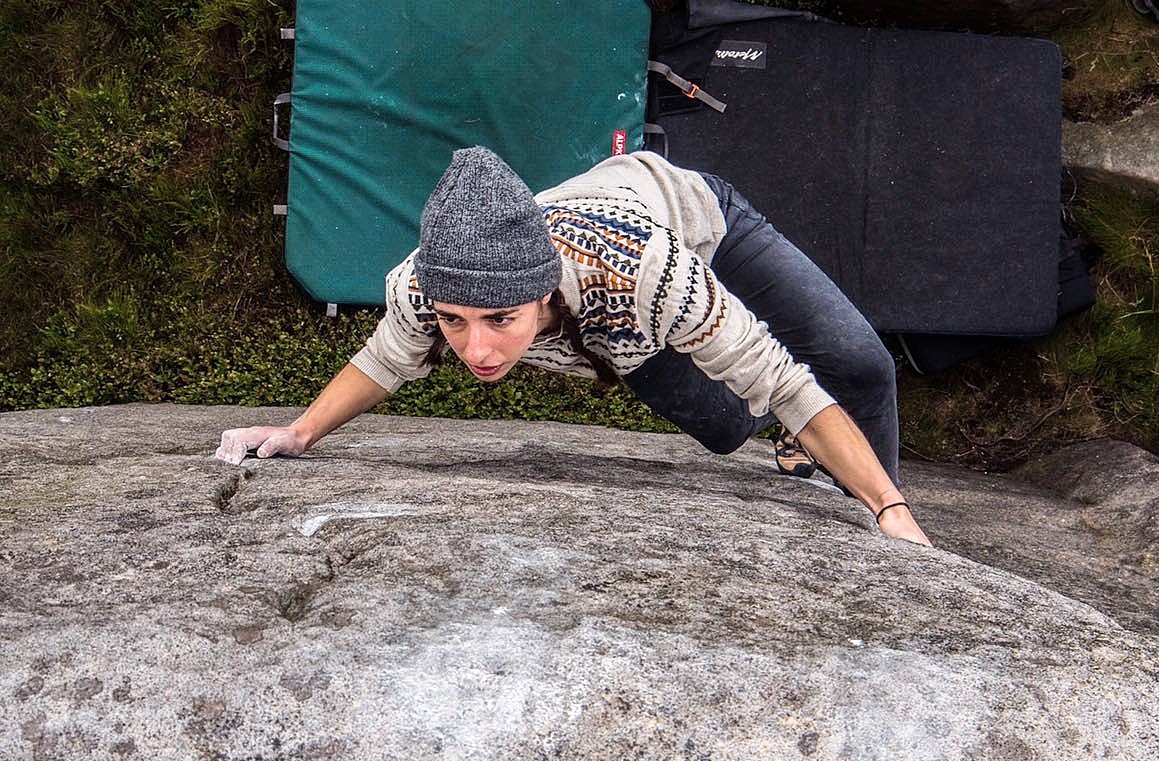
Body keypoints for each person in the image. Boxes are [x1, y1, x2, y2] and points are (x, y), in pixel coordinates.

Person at [215, 146, 931, 546]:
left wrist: (887, 510)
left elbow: (783, 383)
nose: (476, 349)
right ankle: (799, 437)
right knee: (723, 428)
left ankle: (878, 502)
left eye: (500, 319)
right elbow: (383, 360)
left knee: (858, 364)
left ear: (541, 294)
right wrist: (299, 432)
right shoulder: (422, 284)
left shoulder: (646, 275)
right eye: (455, 321)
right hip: (618, 325)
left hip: (700, 222)